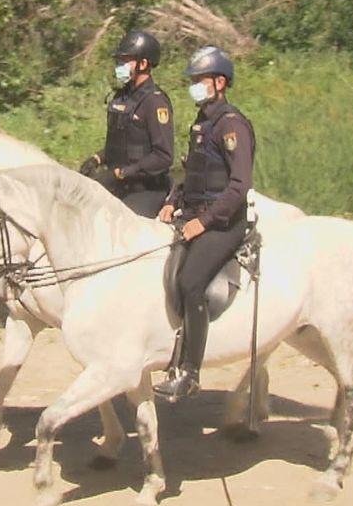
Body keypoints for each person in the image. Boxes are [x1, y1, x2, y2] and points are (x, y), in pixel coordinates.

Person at [154, 45, 255, 400]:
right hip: (194, 214)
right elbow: (193, 174)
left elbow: (239, 185)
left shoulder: (231, 125)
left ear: (220, 83)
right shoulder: (202, 123)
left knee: (190, 282)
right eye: (192, 80)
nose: (194, 86)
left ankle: (190, 372)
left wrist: (205, 222)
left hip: (224, 222)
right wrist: (172, 201)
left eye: (200, 80)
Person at [78, 30, 174, 217]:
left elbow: (163, 156)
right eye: (119, 61)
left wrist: (122, 173)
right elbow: (121, 145)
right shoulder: (121, 98)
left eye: (125, 61)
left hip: (145, 190)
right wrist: (97, 159)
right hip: (117, 185)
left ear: (143, 63)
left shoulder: (154, 102)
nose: (119, 66)